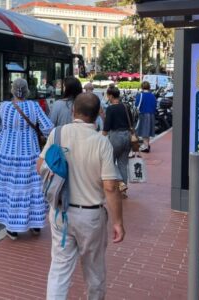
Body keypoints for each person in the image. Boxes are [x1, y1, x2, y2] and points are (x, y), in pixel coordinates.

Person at [38, 93, 125, 300]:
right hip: (91, 217)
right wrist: (118, 222)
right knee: (94, 271)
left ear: (72, 111)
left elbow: (40, 166)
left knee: (59, 269)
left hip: (60, 211)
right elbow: (111, 187)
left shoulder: (57, 134)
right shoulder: (101, 143)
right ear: (98, 116)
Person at [0, 78, 53, 240]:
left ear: (12, 90)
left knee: (9, 190)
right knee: (32, 189)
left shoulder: (4, 106)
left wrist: (8, 133)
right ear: (27, 91)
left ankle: (12, 228)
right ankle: (35, 225)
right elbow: (48, 128)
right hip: (29, 155)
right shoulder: (34, 106)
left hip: (6, 155)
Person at [102, 86, 132, 197]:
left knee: (109, 160)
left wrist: (102, 136)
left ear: (110, 96)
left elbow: (106, 126)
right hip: (127, 136)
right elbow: (131, 122)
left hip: (116, 136)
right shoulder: (125, 106)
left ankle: (120, 182)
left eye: (107, 95)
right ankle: (123, 191)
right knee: (123, 164)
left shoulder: (110, 108)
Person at [135, 81, 157, 152]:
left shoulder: (140, 95)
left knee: (144, 130)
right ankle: (147, 144)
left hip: (144, 114)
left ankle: (146, 146)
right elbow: (155, 105)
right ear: (149, 87)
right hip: (152, 114)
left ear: (142, 87)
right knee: (148, 131)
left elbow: (136, 105)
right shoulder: (152, 95)